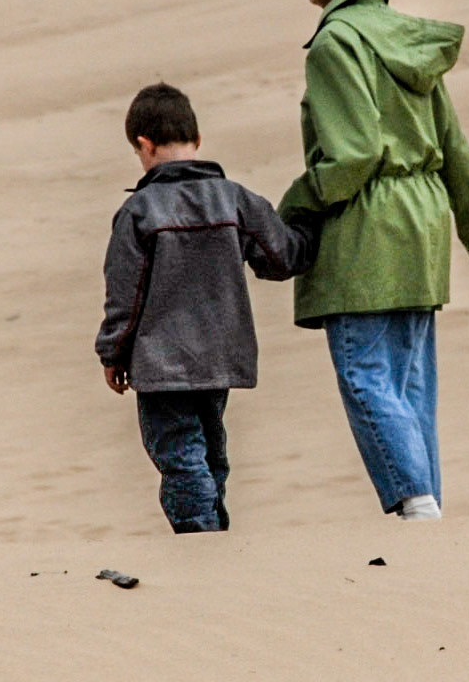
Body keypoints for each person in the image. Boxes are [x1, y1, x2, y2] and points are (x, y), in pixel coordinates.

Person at [276, 0, 469, 520]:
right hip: (423, 224)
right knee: (410, 385)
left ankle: (415, 503)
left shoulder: (335, 44)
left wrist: (292, 207)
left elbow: (354, 155)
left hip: (369, 228)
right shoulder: (407, 41)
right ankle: (427, 514)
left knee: (365, 376)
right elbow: (454, 147)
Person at [95, 82, 318, 533]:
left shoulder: (139, 211)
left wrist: (113, 353)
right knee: (209, 449)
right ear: (197, 139)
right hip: (220, 357)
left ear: (144, 145)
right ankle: (214, 532)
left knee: (179, 454)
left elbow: (125, 295)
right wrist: (316, 220)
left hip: (162, 364)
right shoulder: (235, 199)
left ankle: (201, 536)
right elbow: (282, 258)